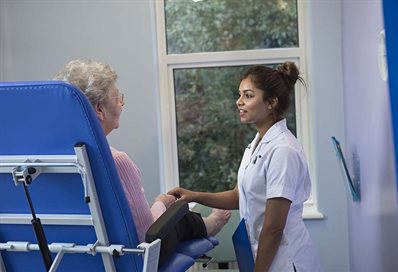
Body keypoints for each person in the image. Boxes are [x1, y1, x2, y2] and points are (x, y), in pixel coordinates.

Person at [53, 58, 231, 264]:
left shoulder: (48, 163)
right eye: (117, 97)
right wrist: (161, 204)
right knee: (178, 215)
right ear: (99, 109)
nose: (122, 102)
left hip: (70, 258)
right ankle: (212, 223)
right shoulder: (117, 161)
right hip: (125, 260)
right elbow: (145, 236)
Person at [168, 62, 322, 271]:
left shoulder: (283, 150)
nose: (239, 102)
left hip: (287, 261)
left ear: (271, 102)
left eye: (248, 96)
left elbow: (274, 227)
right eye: (239, 95)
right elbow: (240, 195)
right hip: (264, 255)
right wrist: (194, 195)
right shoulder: (256, 144)